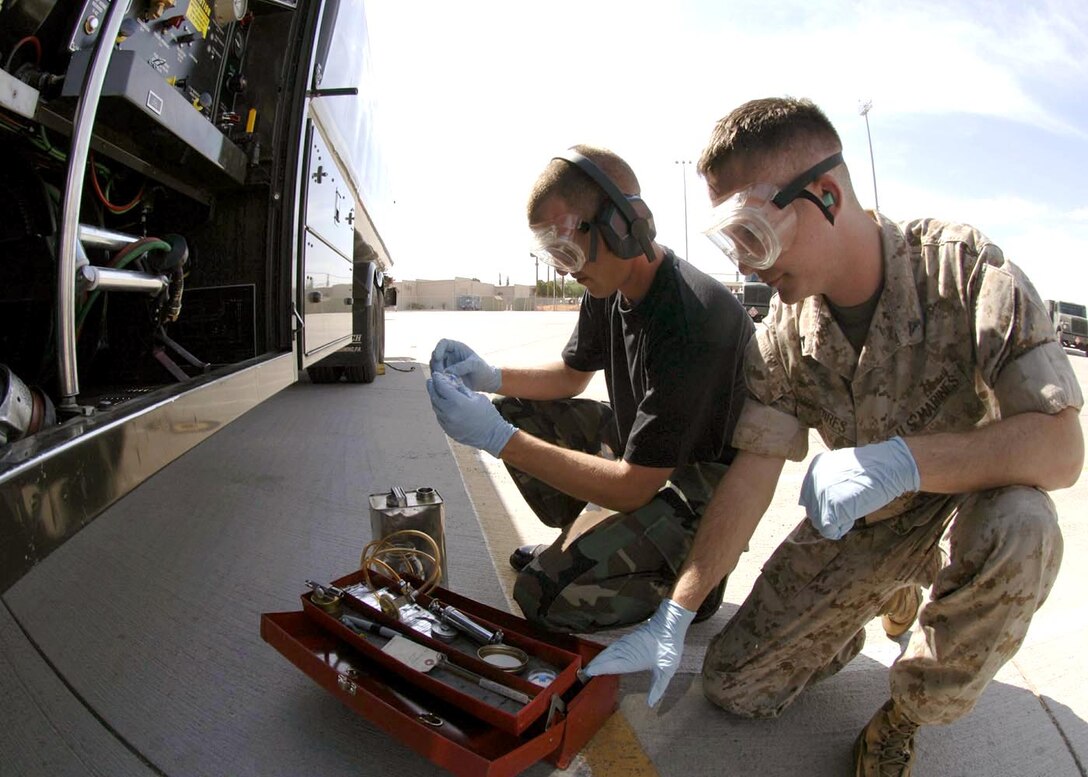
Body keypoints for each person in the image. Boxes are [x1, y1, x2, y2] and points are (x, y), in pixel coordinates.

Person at [584, 98, 1084, 775]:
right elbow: (752, 475)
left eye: (752, 233)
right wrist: (677, 611)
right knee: (736, 686)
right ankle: (890, 586)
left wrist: (906, 460)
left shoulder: (964, 271)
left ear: (823, 194)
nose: (748, 264)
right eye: (731, 243)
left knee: (1025, 525)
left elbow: (1061, 447)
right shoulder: (786, 334)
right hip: (872, 522)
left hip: (975, 498)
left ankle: (905, 713)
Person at [426, 145, 754, 647]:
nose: (562, 269)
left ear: (623, 224)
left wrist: (497, 440)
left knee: (543, 596)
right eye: (552, 254)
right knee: (518, 408)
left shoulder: (692, 319)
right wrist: (488, 377)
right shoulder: (609, 287)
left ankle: (695, 580)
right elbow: (570, 376)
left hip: (696, 492)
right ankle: (589, 538)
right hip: (644, 459)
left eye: (568, 250)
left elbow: (632, 489)